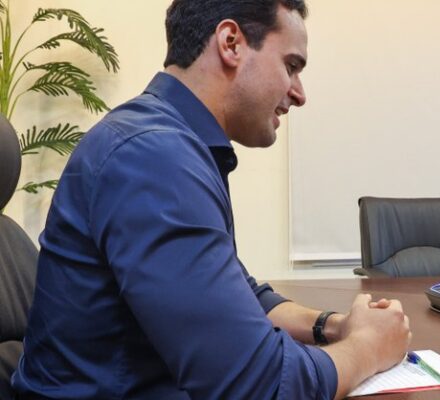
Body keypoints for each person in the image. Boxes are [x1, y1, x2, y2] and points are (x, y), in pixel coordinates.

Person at [11, 1, 411, 399]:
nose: (299, 93)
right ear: (231, 42)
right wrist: (368, 347)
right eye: (291, 66)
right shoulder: (153, 157)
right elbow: (260, 387)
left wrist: (336, 326)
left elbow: (241, 295)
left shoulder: (169, 141)